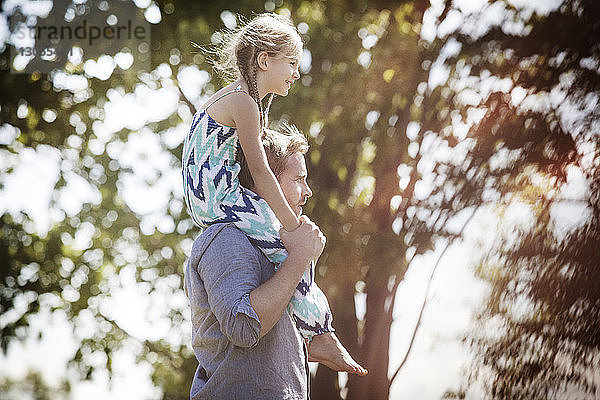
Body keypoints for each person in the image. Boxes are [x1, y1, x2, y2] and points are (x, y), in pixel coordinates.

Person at [181, 13, 333, 349]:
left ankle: (313, 330)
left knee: (286, 246)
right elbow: (262, 173)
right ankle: (318, 333)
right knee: (289, 248)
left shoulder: (237, 99)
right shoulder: (244, 103)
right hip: (219, 198)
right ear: (265, 61)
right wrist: (293, 228)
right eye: (292, 63)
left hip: (209, 196)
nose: (296, 73)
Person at [184, 126, 367, 399]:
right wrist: (300, 257)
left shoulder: (270, 244)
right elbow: (243, 327)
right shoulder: (227, 237)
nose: (308, 192)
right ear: (265, 179)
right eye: (298, 179)